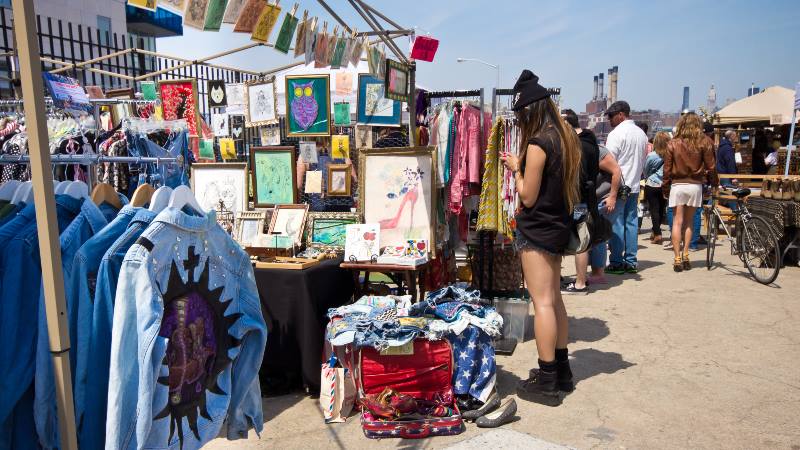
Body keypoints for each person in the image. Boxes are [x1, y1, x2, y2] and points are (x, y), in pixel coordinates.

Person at [500, 70, 581, 403]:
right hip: (558, 226)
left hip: (538, 229)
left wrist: (516, 169)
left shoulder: (538, 143)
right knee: (555, 299)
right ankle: (561, 371)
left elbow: (528, 196)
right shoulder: (565, 137)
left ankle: (547, 379)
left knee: (543, 302)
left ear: (528, 111)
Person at [663, 112, 717, 272]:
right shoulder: (704, 142)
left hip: (677, 185)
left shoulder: (673, 143)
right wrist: (714, 183)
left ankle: (677, 257)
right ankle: (686, 254)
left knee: (676, 222)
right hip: (695, 185)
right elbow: (711, 166)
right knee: (689, 222)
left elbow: (666, 169)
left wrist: (665, 188)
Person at [603, 101, 648, 274]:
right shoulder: (641, 135)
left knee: (616, 224)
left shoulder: (616, 134)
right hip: (634, 185)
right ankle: (631, 261)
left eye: (611, 116)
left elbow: (608, 161)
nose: (609, 120)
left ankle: (616, 261)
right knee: (631, 223)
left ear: (621, 114)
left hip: (619, 185)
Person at [560, 109, 598, 295]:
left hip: (577, 200)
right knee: (581, 239)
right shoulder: (591, 143)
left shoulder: (577, 146)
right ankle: (579, 280)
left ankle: (580, 283)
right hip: (585, 200)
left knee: (581, 241)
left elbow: (576, 177)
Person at [643, 132, 669, 244]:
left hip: (652, 184)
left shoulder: (651, 155)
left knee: (654, 209)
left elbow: (646, 169)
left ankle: (657, 233)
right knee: (661, 209)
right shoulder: (670, 155)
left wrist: (649, 176)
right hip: (665, 184)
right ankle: (655, 231)